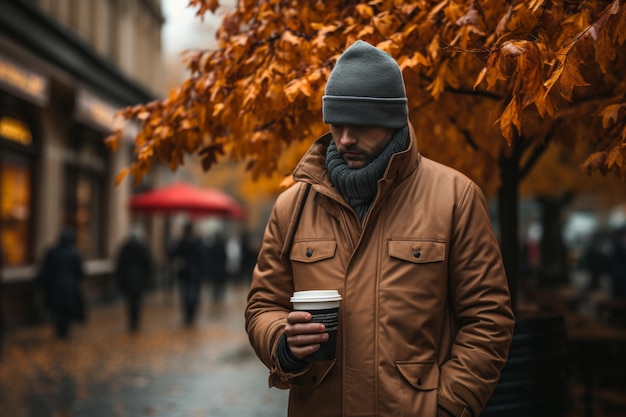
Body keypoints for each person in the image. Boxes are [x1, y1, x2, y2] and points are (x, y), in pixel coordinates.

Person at [245, 40, 515, 417]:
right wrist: (283, 343)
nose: (345, 140)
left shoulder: (455, 197)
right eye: (337, 126)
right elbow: (262, 306)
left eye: (361, 127)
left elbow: (488, 319)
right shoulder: (294, 206)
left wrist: (449, 406)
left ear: (392, 123)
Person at [37, 227, 86, 339]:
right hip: (69, 287)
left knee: (58, 309)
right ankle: (63, 331)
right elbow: (80, 272)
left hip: (55, 287)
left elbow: (45, 270)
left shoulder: (53, 252)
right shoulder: (74, 253)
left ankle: (60, 330)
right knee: (66, 309)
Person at [115, 224, 155, 332]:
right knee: (137, 301)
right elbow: (148, 264)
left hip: (127, 279)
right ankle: (135, 321)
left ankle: (131, 321)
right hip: (139, 279)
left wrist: (120, 277)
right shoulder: (143, 248)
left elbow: (119, 264)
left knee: (129, 301)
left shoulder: (125, 247)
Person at [172, 222, 206, 325]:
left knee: (190, 295)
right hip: (188, 274)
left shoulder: (192, 243)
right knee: (188, 295)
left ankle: (189, 315)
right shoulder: (184, 243)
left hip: (191, 274)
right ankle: (189, 315)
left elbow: (201, 258)